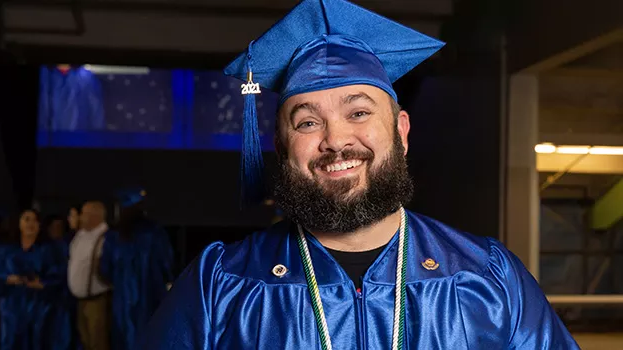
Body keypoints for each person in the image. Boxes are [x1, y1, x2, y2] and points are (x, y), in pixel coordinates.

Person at [141, 0, 579, 349]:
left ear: (401, 131)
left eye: (359, 112)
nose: (336, 141)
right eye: (307, 122)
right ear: (280, 146)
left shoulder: (487, 278)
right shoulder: (222, 285)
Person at [100, 189, 173, 350]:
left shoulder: (114, 236)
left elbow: (105, 269)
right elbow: (166, 263)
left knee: (124, 336)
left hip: (123, 297)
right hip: (150, 295)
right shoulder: (155, 232)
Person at [0, 209, 63, 350]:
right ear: (19, 224)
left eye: (35, 220)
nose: (31, 224)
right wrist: (7, 278)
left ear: (40, 225)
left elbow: (59, 274)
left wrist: (43, 283)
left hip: (40, 306)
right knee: (12, 342)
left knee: (38, 341)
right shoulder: (6, 250)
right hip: (12, 306)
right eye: (26, 219)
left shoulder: (50, 251)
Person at [68, 201, 112, 350]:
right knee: (85, 340)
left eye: (84, 213)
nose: (80, 217)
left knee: (97, 341)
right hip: (80, 301)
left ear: (94, 216)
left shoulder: (106, 238)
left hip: (96, 301)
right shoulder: (81, 235)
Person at [44, 215, 76, 350]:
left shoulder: (68, 244)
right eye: (54, 227)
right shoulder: (44, 247)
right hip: (47, 299)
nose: (57, 230)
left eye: (60, 227)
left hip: (65, 297)